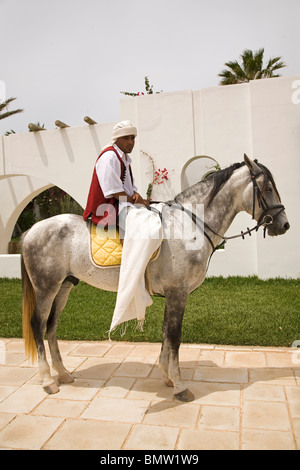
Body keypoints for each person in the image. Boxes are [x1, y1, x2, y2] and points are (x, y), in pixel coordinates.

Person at [83, 120, 162, 333]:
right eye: (127, 138)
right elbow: (111, 190)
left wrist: (138, 198)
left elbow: (128, 188)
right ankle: (131, 262)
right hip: (107, 206)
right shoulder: (109, 156)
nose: (131, 142)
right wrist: (134, 199)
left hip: (121, 202)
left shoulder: (124, 158)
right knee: (139, 225)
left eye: (133, 138)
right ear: (116, 138)